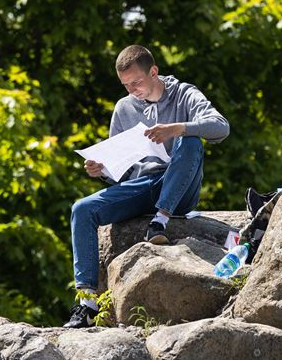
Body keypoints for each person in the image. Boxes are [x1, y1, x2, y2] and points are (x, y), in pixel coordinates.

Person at [64, 45, 229, 329]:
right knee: (82, 209)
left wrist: (178, 128)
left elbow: (221, 127)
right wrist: (102, 170)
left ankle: (159, 222)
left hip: (179, 186)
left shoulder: (184, 94)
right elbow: (120, 170)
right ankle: (87, 303)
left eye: (136, 82)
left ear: (153, 72)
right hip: (142, 185)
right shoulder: (124, 107)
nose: (131, 90)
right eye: (125, 85)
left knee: (190, 139)